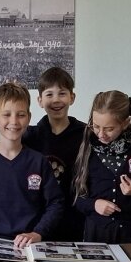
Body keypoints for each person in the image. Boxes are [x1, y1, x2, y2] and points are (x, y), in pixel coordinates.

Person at [0, 81, 63, 248]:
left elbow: (56, 203)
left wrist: (38, 233)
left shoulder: (38, 161)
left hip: (32, 244)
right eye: (6, 114)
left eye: (21, 115)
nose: (14, 121)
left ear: (29, 118)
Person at [72, 90, 131, 243]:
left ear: (126, 122)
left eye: (109, 129)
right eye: (96, 126)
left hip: (129, 234)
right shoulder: (86, 148)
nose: (101, 134)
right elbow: (74, 196)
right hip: (95, 236)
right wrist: (94, 205)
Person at [22, 66, 85, 240]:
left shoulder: (86, 135)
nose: (56, 100)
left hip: (75, 219)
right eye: (49, 94)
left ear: (72, 97)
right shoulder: (29, 137)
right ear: (40, 100)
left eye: (62, 93)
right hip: (38, 221)